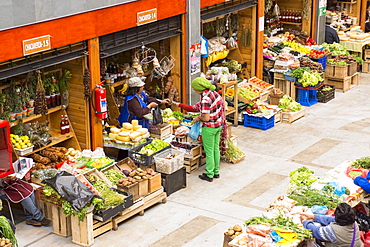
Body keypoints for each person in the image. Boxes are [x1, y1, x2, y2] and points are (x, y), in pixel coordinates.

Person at [174, 77, 226, 182]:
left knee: (209, 151)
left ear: (198, 88)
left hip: (209, 128)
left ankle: (209, 174)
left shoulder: (205, 100)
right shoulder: (214, 94)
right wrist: (178, 104)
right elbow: (195, 108)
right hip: (218, 125)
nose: (194, 90)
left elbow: (206, 118)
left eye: (194, 88)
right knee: (215, 148)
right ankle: (216, 171)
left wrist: (198, 118)